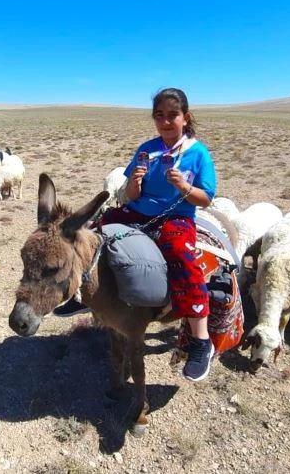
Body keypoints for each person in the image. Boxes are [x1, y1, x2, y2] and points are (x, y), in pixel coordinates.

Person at [54, 87, 217, 382]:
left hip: (176, 217)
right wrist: (136, 183)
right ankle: (82, 294)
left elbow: (205, 199)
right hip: (138, 211)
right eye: (159, 116)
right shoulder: (148, 149)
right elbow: (129, 194)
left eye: (172, 115)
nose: (166, 122)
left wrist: (184, 187)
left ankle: (201, 340)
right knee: (91, 232)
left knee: (182, 255)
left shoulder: (198, 154)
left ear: (185, 117)